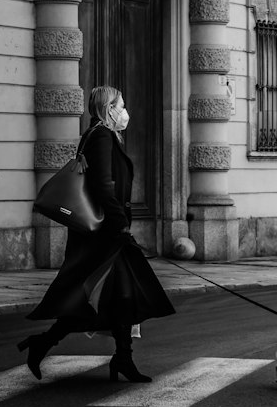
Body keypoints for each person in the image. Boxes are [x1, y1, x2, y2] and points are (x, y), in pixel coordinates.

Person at [20, 85, 175, 382]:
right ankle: (48, 344)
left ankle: (121, 358)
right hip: (105, 234)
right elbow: (103, 185)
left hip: (105, 232)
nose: (125, 111)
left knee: (117, 296)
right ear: (109, 108)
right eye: (121, 104)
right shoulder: (102, 136)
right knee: (105, 295)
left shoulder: (100, 135)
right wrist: (120, 224)